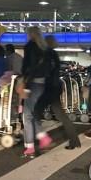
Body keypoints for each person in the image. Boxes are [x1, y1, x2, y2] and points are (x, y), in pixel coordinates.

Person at [38, 35, 81, 150]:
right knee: (61, 116)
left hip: (50, 88)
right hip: (55, 87)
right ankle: (74, 141)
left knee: (34, 113)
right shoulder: (53, 54)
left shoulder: (47, 54)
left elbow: (45, 72)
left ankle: (39, 139)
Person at [21, 26, 53, 157]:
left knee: (27, 116)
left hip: (33, 83)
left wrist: (26, 85)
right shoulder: (45, 48)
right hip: (42, 84)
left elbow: (29, 67)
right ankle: (42, 136)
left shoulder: (30, 47)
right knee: (33, 113)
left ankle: (30, 147)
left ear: (30, 34)